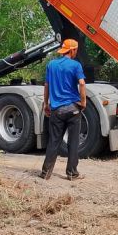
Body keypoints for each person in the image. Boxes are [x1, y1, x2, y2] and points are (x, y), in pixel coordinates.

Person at [39, 38, 86, 181]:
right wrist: (83, 102)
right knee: (73, 142)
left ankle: (46, 173)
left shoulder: (51, 64)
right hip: (73, 109)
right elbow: (82, 83)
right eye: (76, 50)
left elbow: (47, 85)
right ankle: (72, 173)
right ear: (72, 50)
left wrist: (46, 104)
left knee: (54, 141)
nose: (76, 52)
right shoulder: (76, 65)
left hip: (57, 110)